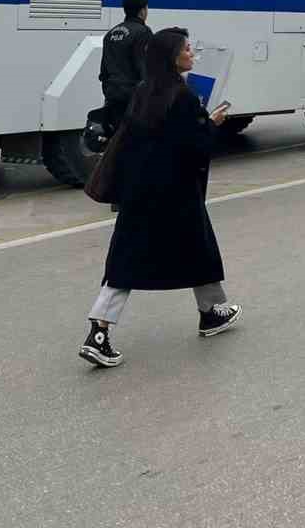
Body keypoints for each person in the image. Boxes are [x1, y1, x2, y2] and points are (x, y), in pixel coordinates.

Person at [79, 28, 239, 368]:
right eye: (187, 49)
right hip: (176, 193)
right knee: (197, 249)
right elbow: (195, 146)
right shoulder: (183, 97)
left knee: (127, 262)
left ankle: (208, 312)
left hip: (140, 191)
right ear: (172, 57)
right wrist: (212, 123)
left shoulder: (143, 91)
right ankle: (101, 336)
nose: (192, 53)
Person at [98, 0, 152, 130]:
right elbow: (144, 67)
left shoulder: (110, 33)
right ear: (142, 11)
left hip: (112, 94)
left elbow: (104, 70)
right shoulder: (143, 32)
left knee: (117, 135)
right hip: (132, 96)